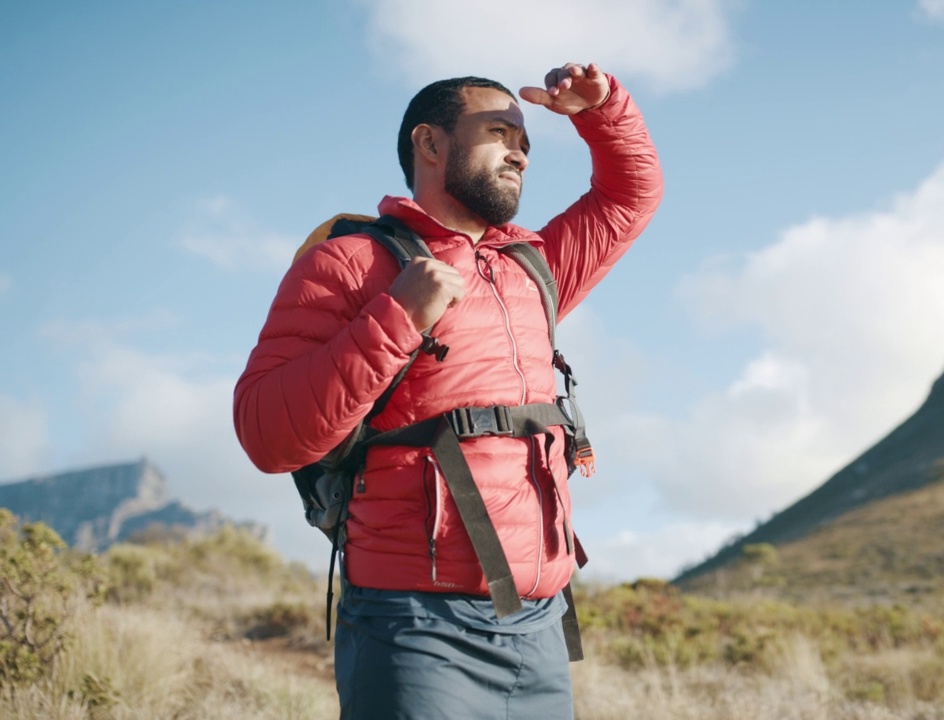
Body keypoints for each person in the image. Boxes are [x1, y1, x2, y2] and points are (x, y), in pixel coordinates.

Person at [233, 62, 661, 718]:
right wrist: (399, 315)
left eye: (525, 139)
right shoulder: (348, 263)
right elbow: (268, 435)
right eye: (498, 130)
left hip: (541, 625)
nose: (519, 148)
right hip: (413, 629)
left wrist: (602, 111)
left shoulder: (531, 270)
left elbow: (630, 195)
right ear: (430, 144)